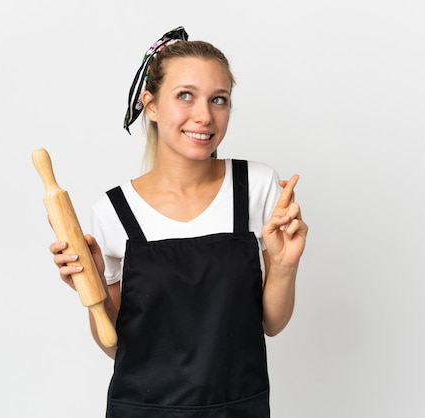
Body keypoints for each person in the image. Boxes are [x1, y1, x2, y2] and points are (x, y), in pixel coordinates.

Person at [49, 26, 308, 418]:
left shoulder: (256, 187)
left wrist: (286, 265)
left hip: (237, 408)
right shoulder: (115, 210)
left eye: (218, 100)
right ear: (150, 105)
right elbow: (117, 345)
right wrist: (95, 287)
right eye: (185, 95)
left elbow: (271, 324)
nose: (204, 116)